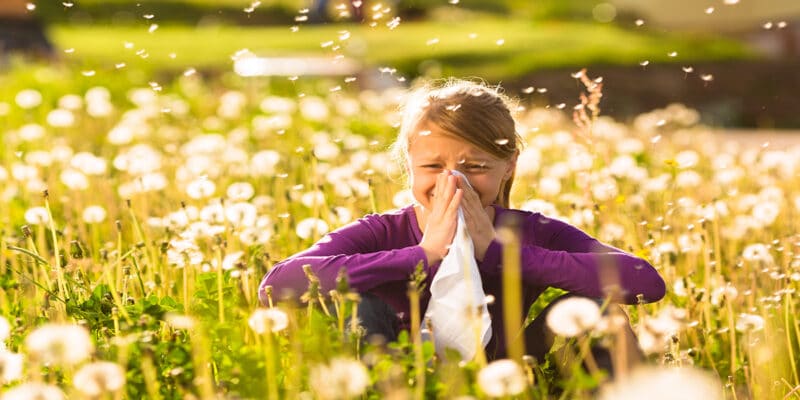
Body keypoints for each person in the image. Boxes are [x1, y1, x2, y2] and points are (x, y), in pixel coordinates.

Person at [258, 79, 666, 365]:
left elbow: (646, 283)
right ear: (409, 167)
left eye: (475, 166)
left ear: (509, 168)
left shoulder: (530, 231)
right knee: (357, 304)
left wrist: (501, 253)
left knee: (598, 311)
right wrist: (421, 255)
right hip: (396, 372)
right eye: (433, 166)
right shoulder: (382, 231)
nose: (453, 181)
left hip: (507, 370)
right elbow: (277, 286)